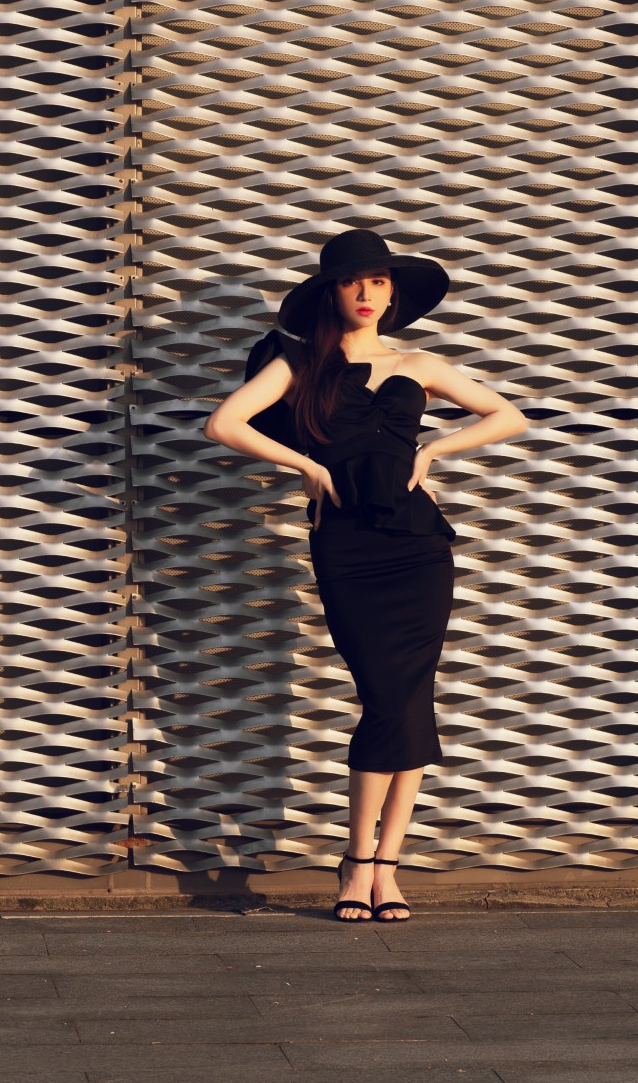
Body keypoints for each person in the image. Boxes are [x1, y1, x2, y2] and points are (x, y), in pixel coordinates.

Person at [203, 228, 528, 923]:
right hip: (348, 547)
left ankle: (385, 867)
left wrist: (433, 450)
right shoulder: (301, 363)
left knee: (411, 701)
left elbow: (509, 416)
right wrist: (308, 466)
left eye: (378, 281)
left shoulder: (419, 362)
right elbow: (224, 424)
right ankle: (357, 859)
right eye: (353, 281)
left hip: (419, 549)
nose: (366, 293)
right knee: (384, 698)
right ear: (330, 293)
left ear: (392, 293)